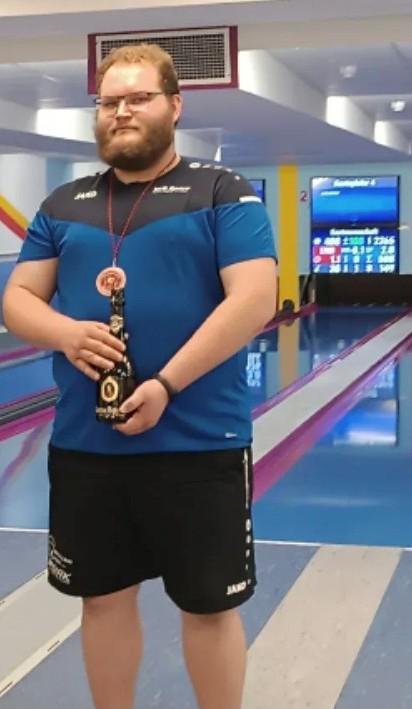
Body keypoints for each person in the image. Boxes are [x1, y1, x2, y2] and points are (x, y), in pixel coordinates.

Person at [3, 43, 277, 709]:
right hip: (87, 445)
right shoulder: (65, 203)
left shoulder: (223, 192)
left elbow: (254, 299)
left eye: (138, 98)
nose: (121, 111)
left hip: (198, 442)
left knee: (208, 606)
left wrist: (166, 384)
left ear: (174, 106)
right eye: (108, 101)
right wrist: (66, 333)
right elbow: (18, 298)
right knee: (101, 599)